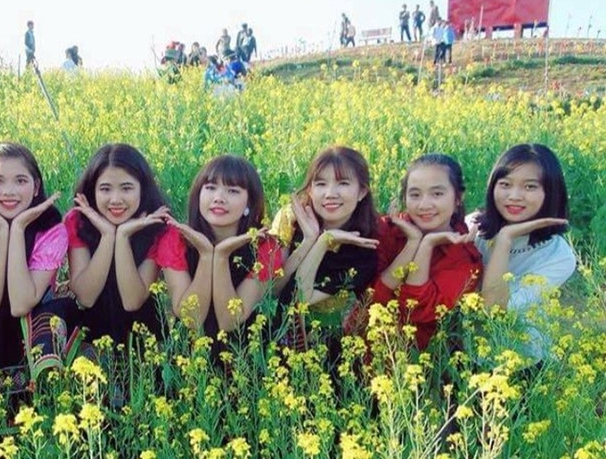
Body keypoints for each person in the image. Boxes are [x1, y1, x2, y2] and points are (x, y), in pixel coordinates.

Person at [0, 143, 74, 425]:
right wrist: (3, 231)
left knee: (40, 430)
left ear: (37, 186)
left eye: (21, 181)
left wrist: (17, 229)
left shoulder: (52, 230)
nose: (9, 192)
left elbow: (20, 303)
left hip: (37, 338)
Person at [66, 144, 192, 349]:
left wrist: (122, 237)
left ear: (143, 189)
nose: (116, 200)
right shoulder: (78, 222)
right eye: (105, 189)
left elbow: (132, 301)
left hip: (144, 349)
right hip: (89, 348)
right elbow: (86, 297)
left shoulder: (158, 229)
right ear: (92, 190)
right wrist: (108, 236)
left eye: (127, 188)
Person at [270, 146, 380, 374]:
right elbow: (273, 288)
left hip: (321, 346)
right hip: (270, 336)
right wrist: (310, 239)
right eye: (320, 184)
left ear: (362, 192)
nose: (330, 193)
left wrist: (323, 242)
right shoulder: (290, 219)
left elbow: (301, 297)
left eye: (343, 183)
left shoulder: (363, 251)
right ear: (309, 189)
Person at [168, 154, 283, 365]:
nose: (219, 197)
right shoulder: (176, 239)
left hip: (244, 362)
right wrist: (205, 256)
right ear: (198, 195)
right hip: (186, 364)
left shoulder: (266, 247)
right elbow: (190, 319)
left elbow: (231, 321)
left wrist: (220, 257)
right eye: (210, 187)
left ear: (250, 202)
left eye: (232, 191)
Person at [360, 154, 482, 351]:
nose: (424, 205)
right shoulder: (386, 231)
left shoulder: (465, 259)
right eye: (415, 195)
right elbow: (370, 300)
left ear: (458, 198)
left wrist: (425, 246)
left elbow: (415, 311)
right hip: (356, 352)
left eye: (437, 194)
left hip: (415, 365)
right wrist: (412, 243)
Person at [471, 144, 574, 312]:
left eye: (530, 187)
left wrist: (505, 238)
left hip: (515, 338)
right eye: (505, 184)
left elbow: (494, 310)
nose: (514, 196)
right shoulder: (472, 228)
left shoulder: (559, 255)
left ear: (551, 192)